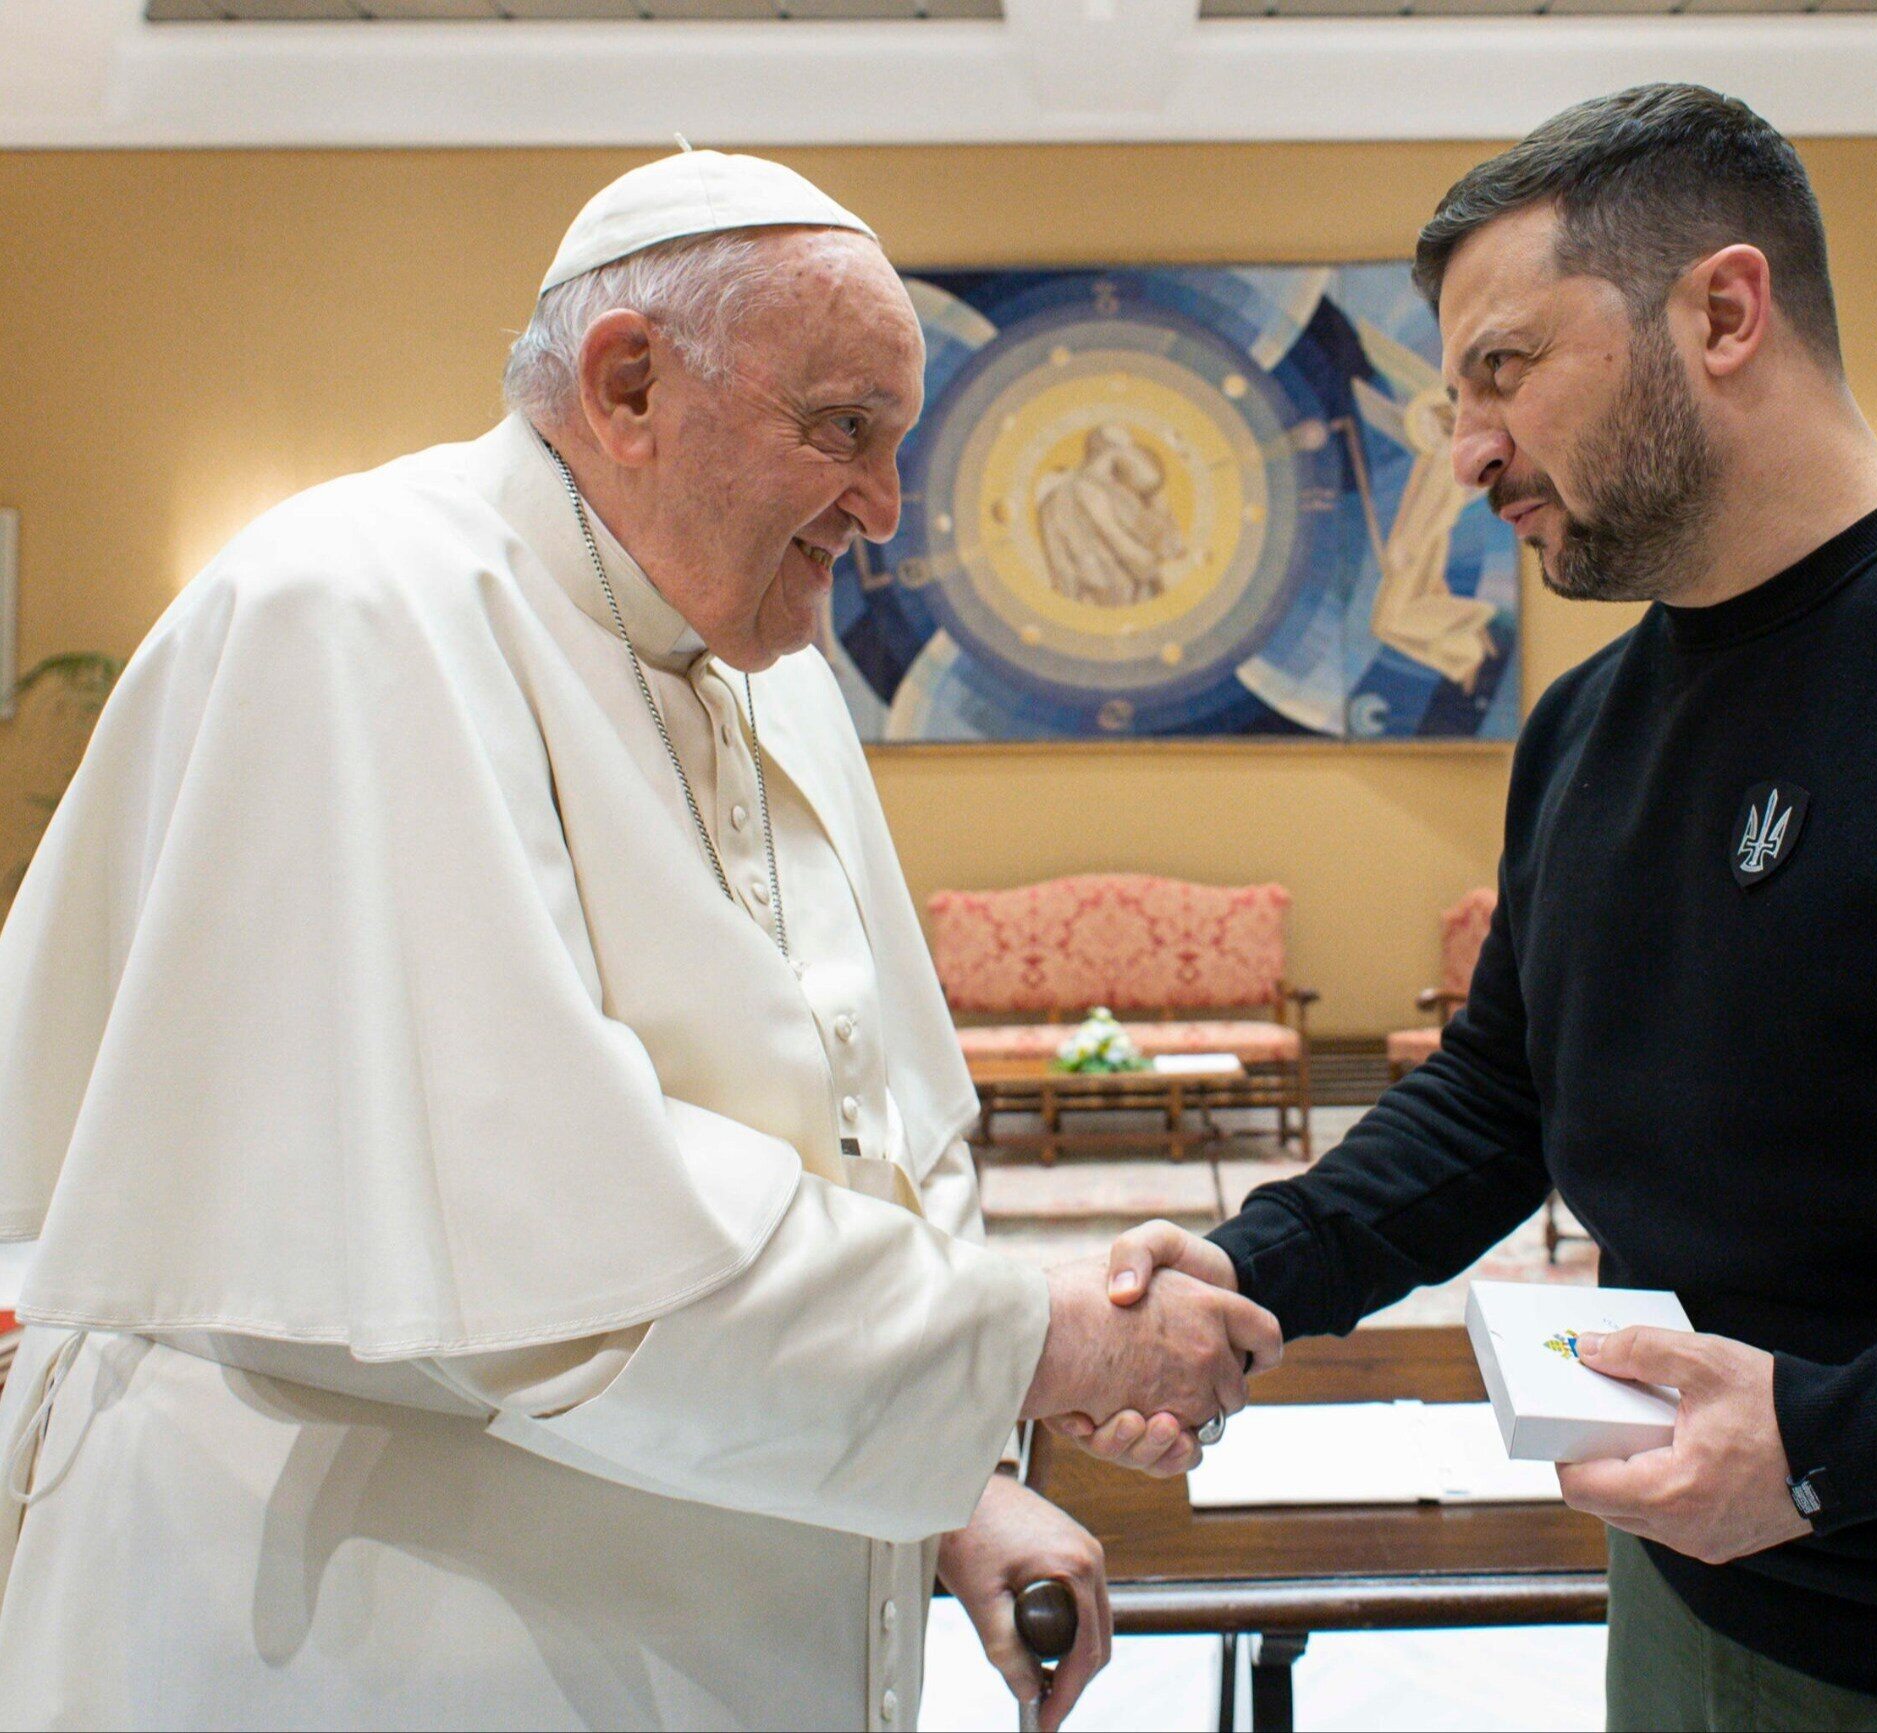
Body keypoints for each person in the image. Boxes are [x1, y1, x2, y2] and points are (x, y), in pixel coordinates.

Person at [1082, 84, 1877, 1732]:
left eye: (1506, 369)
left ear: (1723, 311)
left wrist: (1828, 1444)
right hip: (1681, 1613)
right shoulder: (1590, 726)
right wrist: (1254, 1264)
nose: (1467, 449)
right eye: (1454, 394)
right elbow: (1505, 1088)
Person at [0, 150, 1279, 1731]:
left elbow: (852, 1139)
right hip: (379, 1631)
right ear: (627, 385)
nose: (884, 508)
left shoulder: (771, 673)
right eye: (843, 430)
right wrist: (1041, 1338)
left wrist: (948, 1483)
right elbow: (542, 1254)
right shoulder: (360, 608)